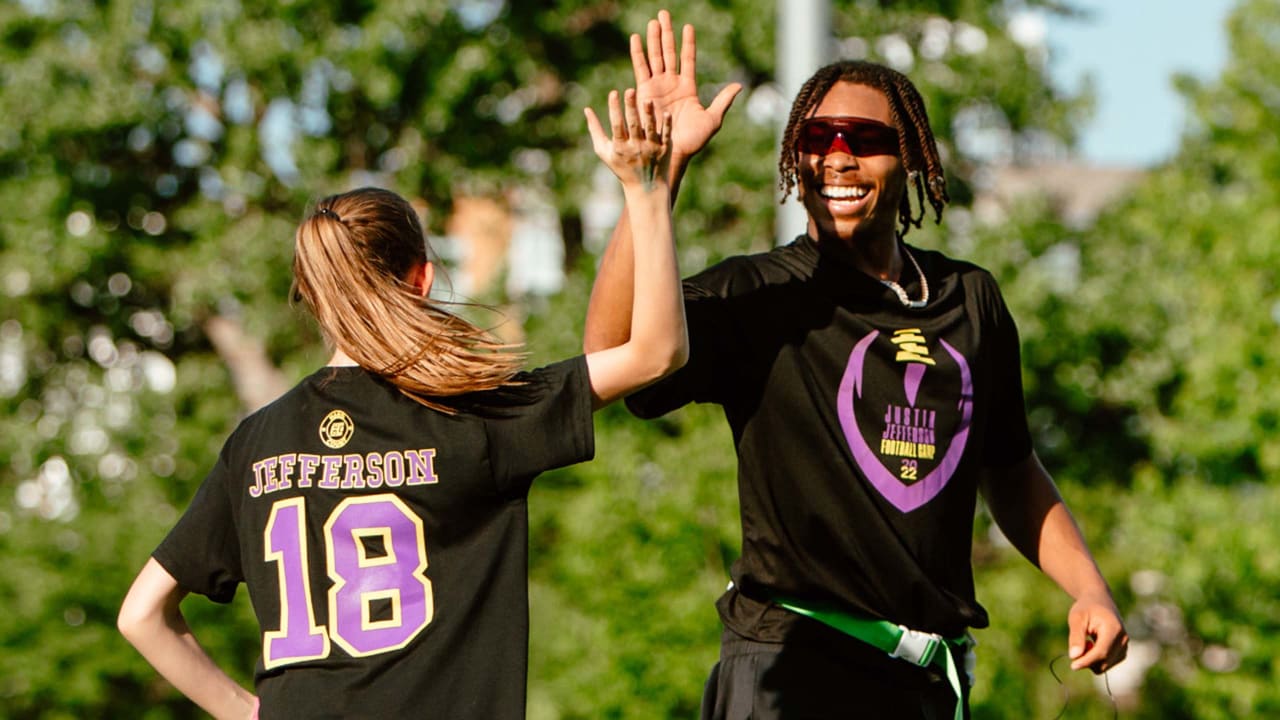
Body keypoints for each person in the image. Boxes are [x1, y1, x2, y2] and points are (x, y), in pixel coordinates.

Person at [584, 10, 1128, 720]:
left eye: (866, 140)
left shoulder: (971, 298)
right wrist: (654, 183)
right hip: (791, 666)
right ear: (793, 159)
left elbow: (1012, 467)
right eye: (817, 138)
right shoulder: (761, 293)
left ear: (912, 158)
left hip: (927, 683)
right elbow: (610, 354)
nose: (837, 156)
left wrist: (1088, 587)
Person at [117, 87, 684, 720]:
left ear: (310, 293)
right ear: (421, 279)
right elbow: (657, 352)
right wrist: (647, 189)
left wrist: (247, 712)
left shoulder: (255, 442)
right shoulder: (473, 413)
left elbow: (141, 615)